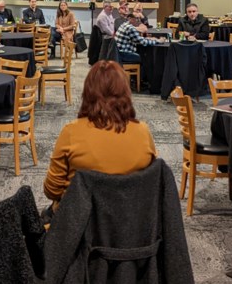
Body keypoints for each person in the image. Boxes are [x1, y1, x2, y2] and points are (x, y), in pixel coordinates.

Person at [43, 61, 156, 208]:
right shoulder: (143, 133)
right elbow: (151, 184)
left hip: (79, 225)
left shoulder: (71, 132)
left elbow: (52, 190)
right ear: (126, 92)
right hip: (130, 223)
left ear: (88, 92)